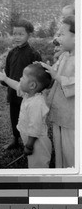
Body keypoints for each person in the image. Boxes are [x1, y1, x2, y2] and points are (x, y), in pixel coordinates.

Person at [0, 63, 52, 168]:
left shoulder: (36, 103)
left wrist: (29, 146)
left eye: (23, 77)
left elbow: (35, 127)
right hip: (30, 139)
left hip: (37, 143)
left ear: (32, 85)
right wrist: (5, 79)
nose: (20, 79)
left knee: (38, 166)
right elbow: (17, 85)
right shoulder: (29, 94)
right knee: (33, 164)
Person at [0, 18, 42, 150]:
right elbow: (7, 71)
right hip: (13, 91)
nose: (17, 37)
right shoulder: (12, 53)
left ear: (29, 35)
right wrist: (4, 80)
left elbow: (38, 75)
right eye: (15, 34)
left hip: (28, 94)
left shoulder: (33, 54)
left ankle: (29, 140)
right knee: (14, 116)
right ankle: (15, 139)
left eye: (21, 34)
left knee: (28, 117)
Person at [41, 15, 75, 168]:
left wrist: (57, 77)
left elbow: (76, 83)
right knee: (60, 147)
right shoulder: (65, 55)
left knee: (71, 149)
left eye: (62, 34)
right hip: (59, 110)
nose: (58, 38)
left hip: (71, 117)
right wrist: (44, 70)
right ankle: (62, 170)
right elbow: (53, 72)